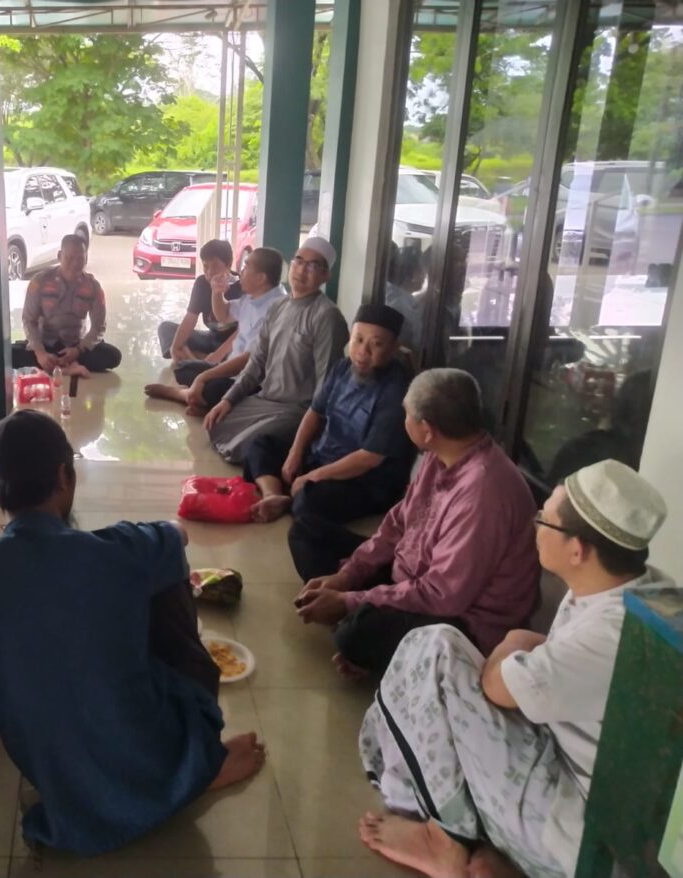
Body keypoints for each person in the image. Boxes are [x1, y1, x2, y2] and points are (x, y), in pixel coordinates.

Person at [0, 411, 265, 852]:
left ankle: (154, 773)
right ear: (64, 476)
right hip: (148, 749)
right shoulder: (119, 550)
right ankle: (194, 764)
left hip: (57, 775)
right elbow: (178, 536)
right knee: (163, 572)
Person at [357, 459, 672, 878]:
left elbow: (497, 687)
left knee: (434, 651)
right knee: (445, 655)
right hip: (594, 804)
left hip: (581, 835)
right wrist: (522, 649)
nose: (536, 525)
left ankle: (445, 840)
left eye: (545, 520)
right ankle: (502, 855)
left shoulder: (609, 632)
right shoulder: (635, 588)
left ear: (578, 549)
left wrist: (516, 641)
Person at [293, 368, 541, 680]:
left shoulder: (483, 490)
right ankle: (366, 629)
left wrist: (349, 601)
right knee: (306, 532)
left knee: (354, 634)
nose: (403, 420)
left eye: (406, 414)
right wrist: (347, 575)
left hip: (462, 620)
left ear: (426, 429)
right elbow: (397, 524)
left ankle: (363, 633)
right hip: (411, 577)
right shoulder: (439, 455)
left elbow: (443, 594)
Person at [243, 303, 413, 523]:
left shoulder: (397, 390)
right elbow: (315, 412)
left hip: (366, 479)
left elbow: (369, 458)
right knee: (260, 444)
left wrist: (311, 477)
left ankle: (290, 498)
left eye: (377, 344)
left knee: (309, 502)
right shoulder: (342, 368)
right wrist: (295, 453)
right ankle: (273, 496)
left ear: (393, 348)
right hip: (325, 454)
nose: (363, 351)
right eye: (358, 340)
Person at [203, 238, 349, 464]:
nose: (302, 270)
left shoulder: (327, 317)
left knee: (251, 444)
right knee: (216, 422)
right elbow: (256, 362)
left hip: (296, 409)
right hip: (266, 399)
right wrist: (227, 400)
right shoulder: (278, 307)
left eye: (313, 265)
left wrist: (306, 437)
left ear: (325, 276)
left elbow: (325, 387)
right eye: (299, 261)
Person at [143, 247, 285, 412]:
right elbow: (223, 315)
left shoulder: (275, 308)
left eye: (246, 267)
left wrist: (204, 376)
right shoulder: (253, 296)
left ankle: (183, 395)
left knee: (209, 385)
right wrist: (217, 293)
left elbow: (249, 361)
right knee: (185, 370)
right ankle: (201, 399)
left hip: (252, 380)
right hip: (234, 368)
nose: (242, 271)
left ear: (260, 278)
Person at [12, 234, 122, 376]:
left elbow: (99, 326)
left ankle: (57, 367)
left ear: (86, 259)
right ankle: (65, 369)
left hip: (76, 347)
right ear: (59, 256)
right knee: (6, 355)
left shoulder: (93, 287)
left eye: (80, 259)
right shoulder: (39, 281)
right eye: (69, 258)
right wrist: (40, 353)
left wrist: (78, 350)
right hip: (45, 346)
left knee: (113, 356)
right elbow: (29, 319)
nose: (75, 264)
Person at [155, 238, 242, 365]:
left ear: (228, 264)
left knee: (247, 350)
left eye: (215, 266)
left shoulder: (242, 286)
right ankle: (199, 359)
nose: (209, 272)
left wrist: (217, 356)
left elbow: (243, 331)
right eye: (205, 266)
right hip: (211, 338)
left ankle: (195, 359)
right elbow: (191, 318)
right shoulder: (202, 283)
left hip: (233, 344)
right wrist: (175, 347)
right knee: (166, 328)